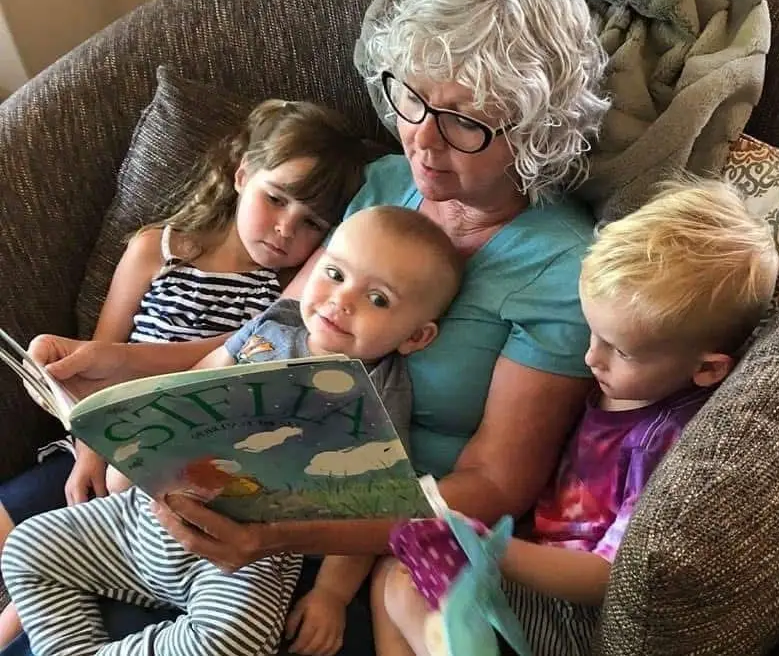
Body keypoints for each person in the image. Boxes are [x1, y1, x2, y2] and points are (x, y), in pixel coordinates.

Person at [1, 0, 611, 656]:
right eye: (411, 98)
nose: (421, 138)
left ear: (536, 132)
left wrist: (290, 535)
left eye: (465, 123)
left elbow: (496, 485)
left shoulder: (561, 266)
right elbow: (269, 339)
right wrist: (108, 368)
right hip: (243, 480)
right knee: (34, 548)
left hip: (371, 541)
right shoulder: (384, 183)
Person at [1, 205, 465, 656]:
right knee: (26, 549)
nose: (341, 300)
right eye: (335, 274)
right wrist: (127, 428)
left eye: (378, 298)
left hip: (248, 556)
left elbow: (371, 508)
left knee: (237, 640)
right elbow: (193, 384)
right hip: (143, 517)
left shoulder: (380, 394)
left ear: (416, 338)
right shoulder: (272, 324)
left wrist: (331, 596)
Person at [0, 98, 369, 651]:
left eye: (312, 223)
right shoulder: (158, 248)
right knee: (21, 524)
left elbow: (254, 362)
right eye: (275, 199)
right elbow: (103, 356)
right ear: (243, 174)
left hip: (196, 468)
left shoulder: (291, 295)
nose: (285, 229)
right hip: (104, 441)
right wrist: (91, 449)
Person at [379, 177, 779, 656]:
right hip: (537, 562)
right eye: (593, 333)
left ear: (707, 369)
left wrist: (494, 549)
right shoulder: (622, 385)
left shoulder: (658, 442)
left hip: (572, 612)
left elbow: (604, 578)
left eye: (620, 350)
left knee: (403, 585)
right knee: (394, 572)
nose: (591, 358)